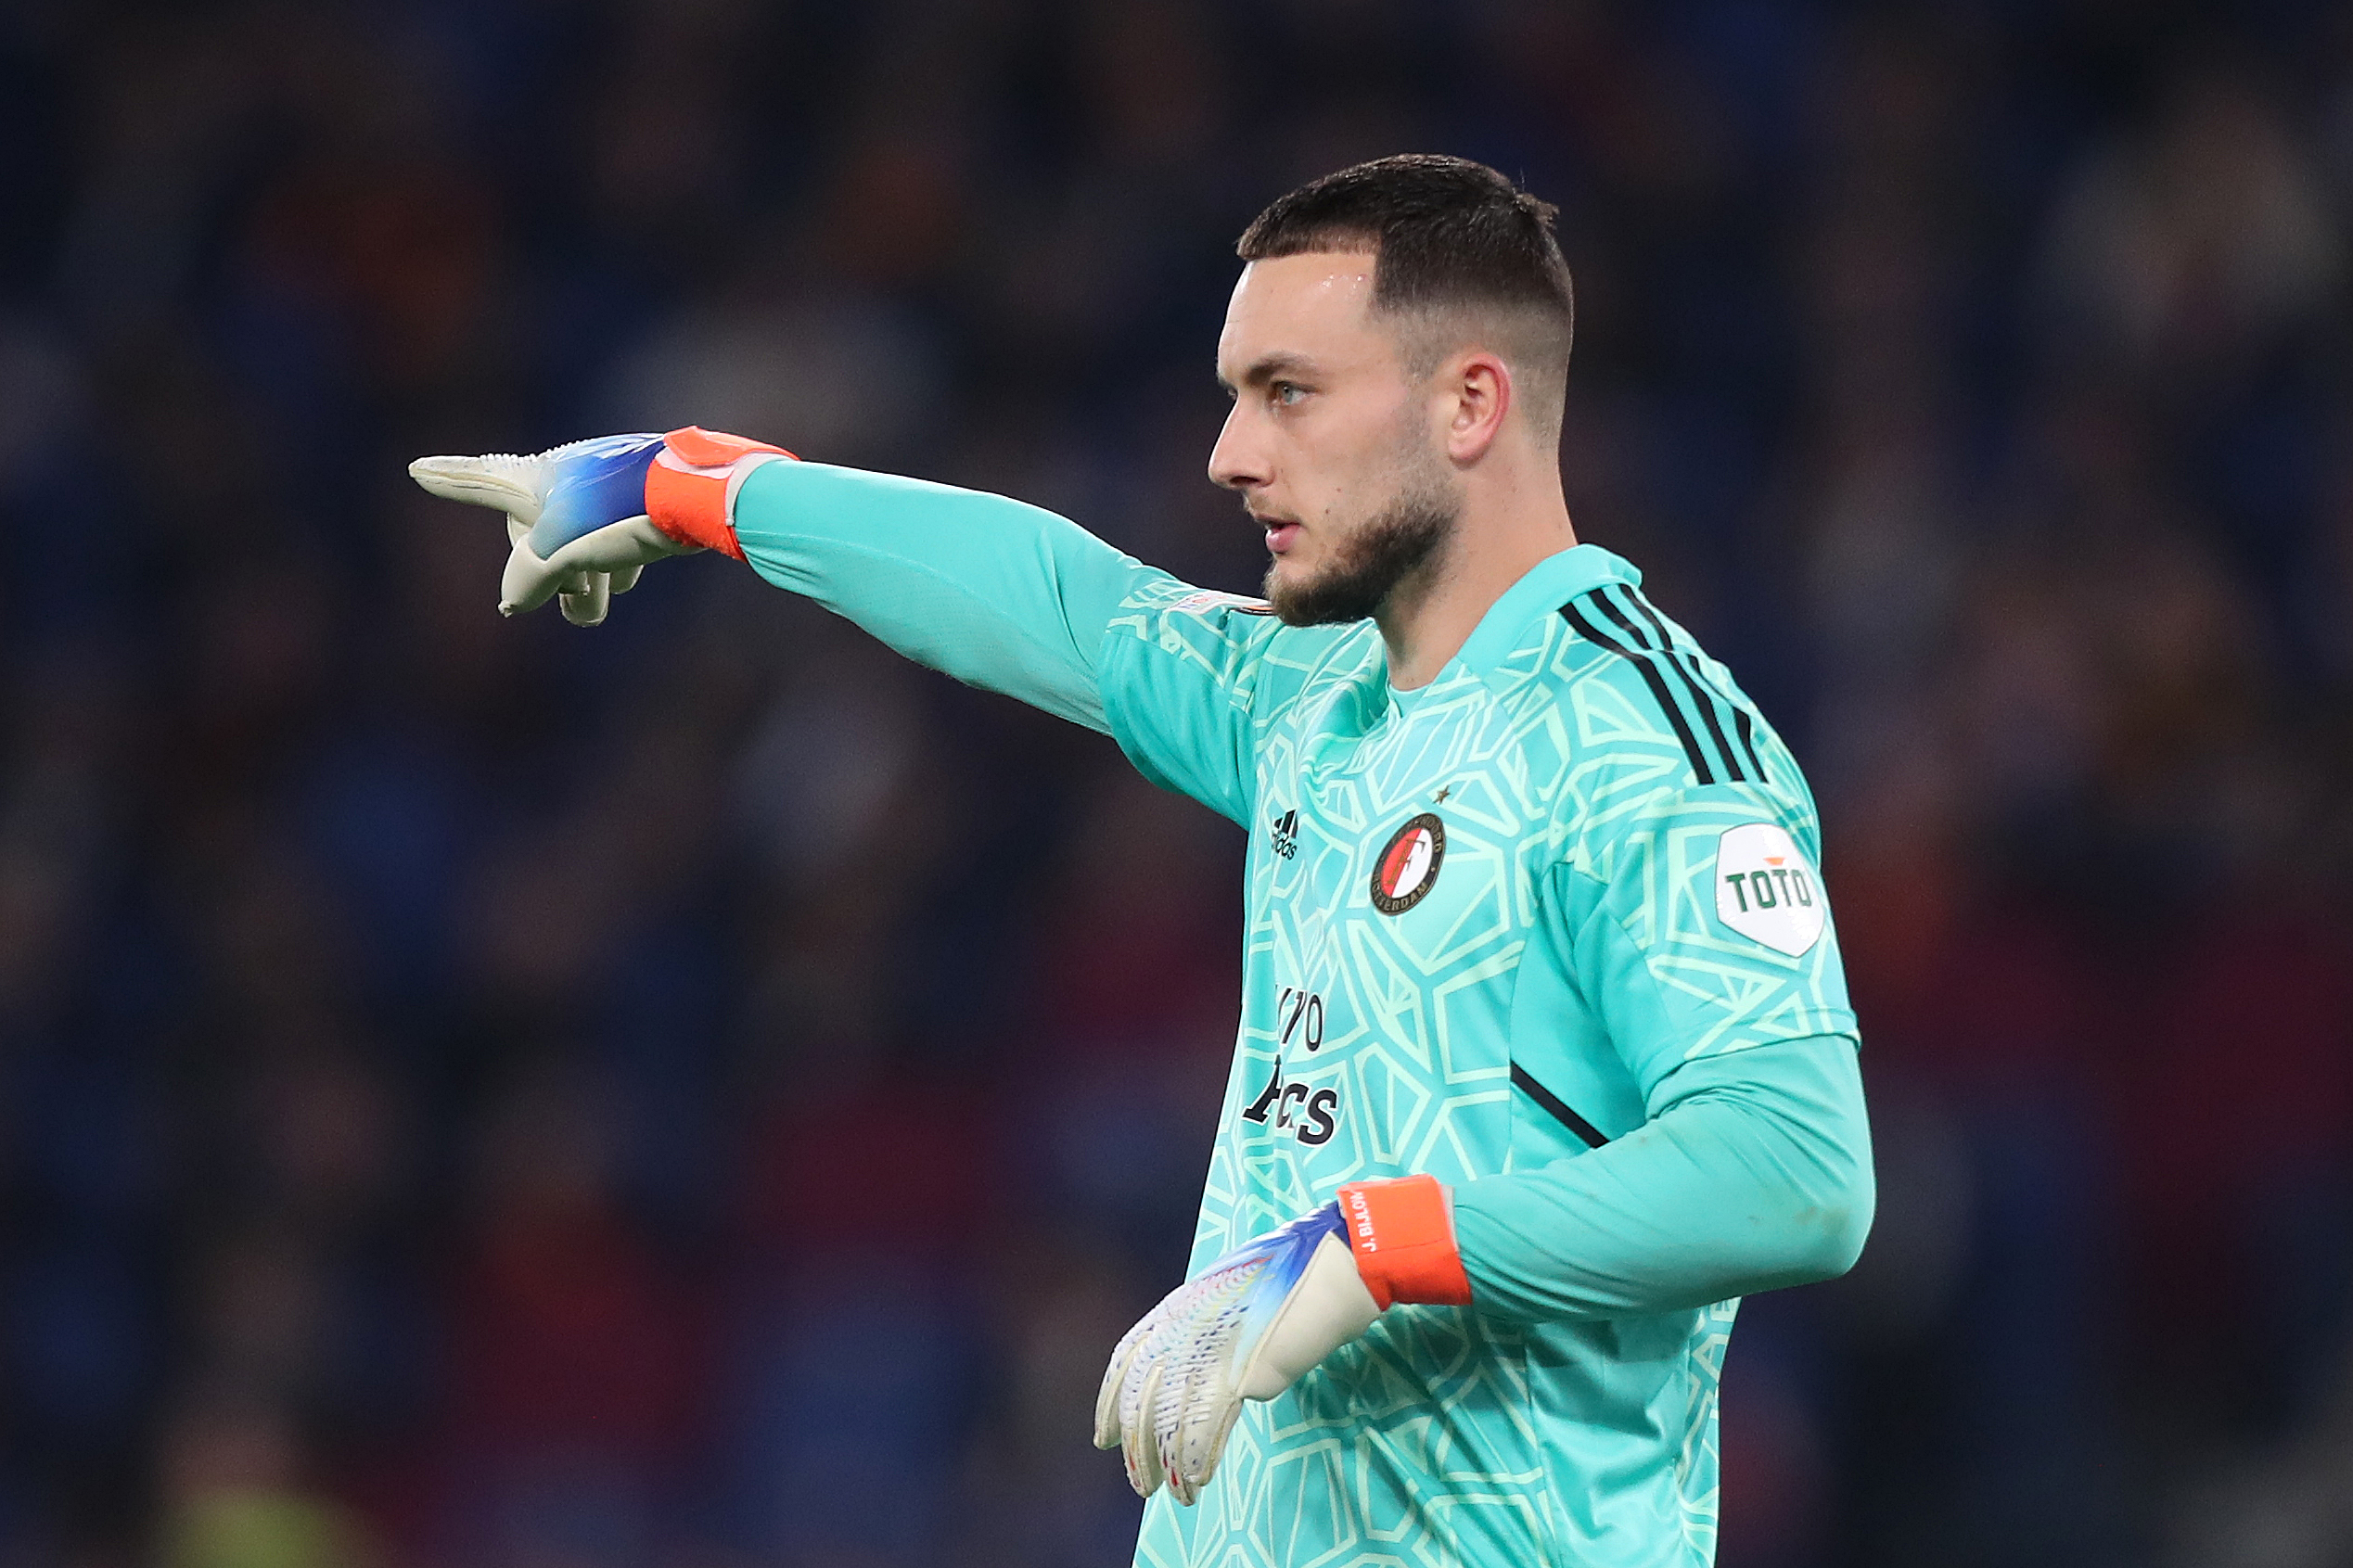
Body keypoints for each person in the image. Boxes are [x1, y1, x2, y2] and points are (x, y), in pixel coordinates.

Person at [412, 154, 1874, 1568]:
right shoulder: (1316, 697)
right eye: (1235, 395)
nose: (1232, 454)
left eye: (1288, 394)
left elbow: (1796, 1173)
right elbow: (1066, 602)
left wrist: (1379, 1247)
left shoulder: (1649, 744)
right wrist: (690, 487)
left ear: (1470, 404)